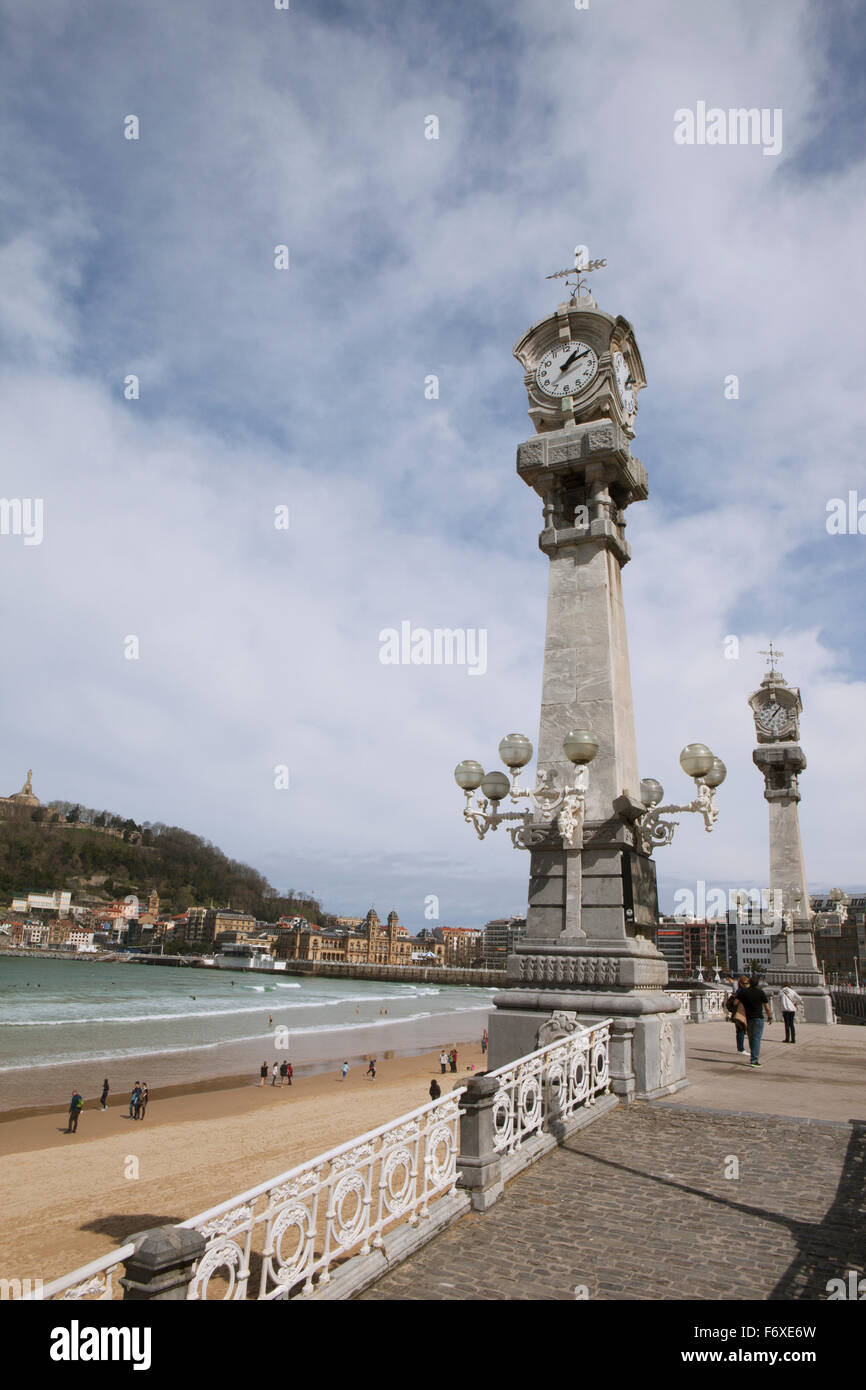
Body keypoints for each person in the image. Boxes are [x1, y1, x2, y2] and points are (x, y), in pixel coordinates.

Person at [731, 974, 773, 1066]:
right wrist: (770, 1016)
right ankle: (754, 1059)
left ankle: (753, 1055)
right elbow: (767, 1007)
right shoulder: (760, 992)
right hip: (758, 1018)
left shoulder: (744, 992)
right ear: (757, 984)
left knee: (751, 1038)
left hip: (748, 1018)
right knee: (757, 1038)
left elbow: (735, 1003)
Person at [725, 983, 748, 1054]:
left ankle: (740, 1048)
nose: (747, 985)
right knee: (741, 1030)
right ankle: (741, 1049)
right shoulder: (741, 993)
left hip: (737, 1013)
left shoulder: (738, 992)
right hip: (739, 1013)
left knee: (740, 1030)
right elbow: (735, 1003)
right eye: (746, 983)